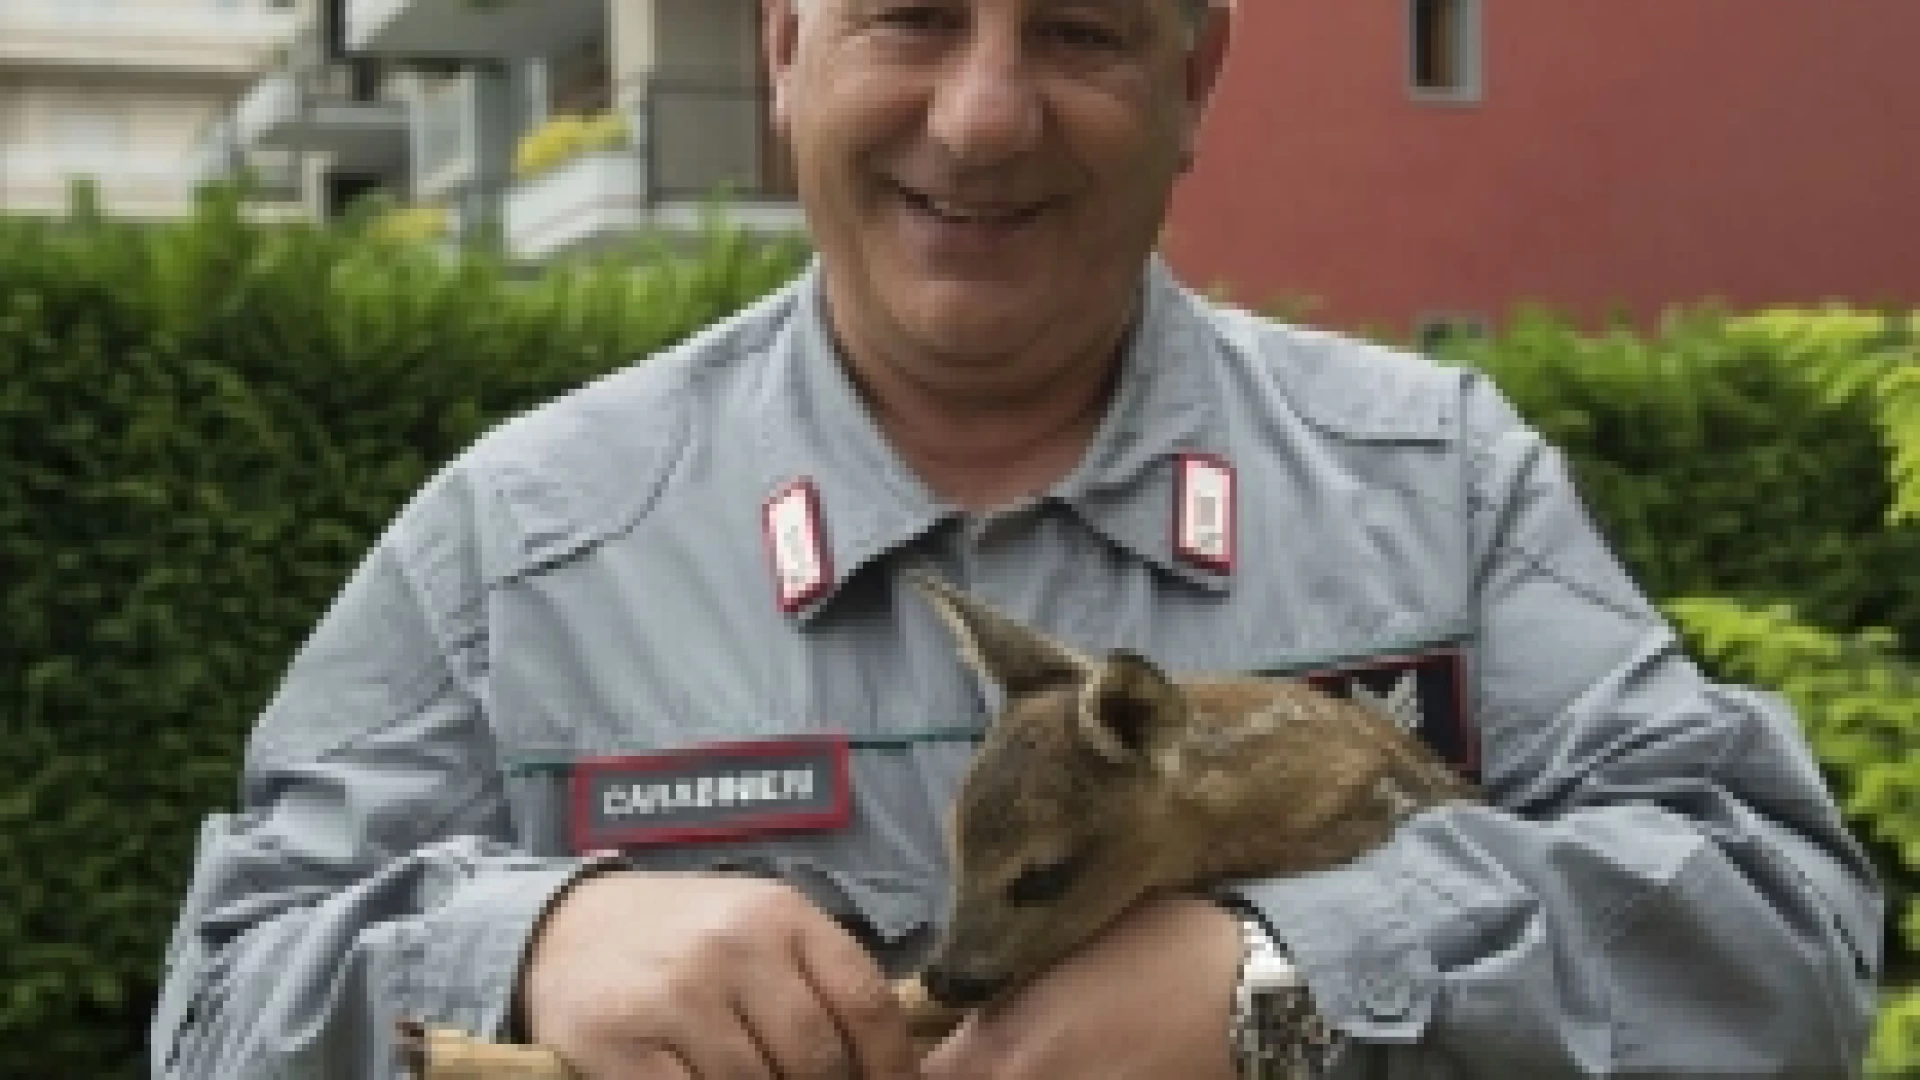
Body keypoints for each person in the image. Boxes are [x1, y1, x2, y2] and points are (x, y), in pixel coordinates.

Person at [154, 0, 1882, 1076]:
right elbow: (219, 1007)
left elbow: (1784, 944)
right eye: (911, 15)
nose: (982, 115)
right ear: (784, 48)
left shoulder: (1439, 485)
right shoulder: (516, 547)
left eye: (1075, 30)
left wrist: (1288, 989)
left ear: (1194, 76)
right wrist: (533, 946)